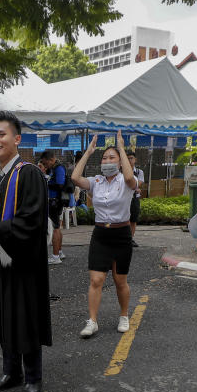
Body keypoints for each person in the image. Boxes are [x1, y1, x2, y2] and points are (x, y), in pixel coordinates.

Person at [0, 111, 51, 392]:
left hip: (22, 262)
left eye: (1, 134)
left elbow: (32, 221)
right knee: (4, 315)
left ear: (17, 139)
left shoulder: (28, 173)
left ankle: (32, 377)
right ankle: (10, 371)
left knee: (23, 317)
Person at [71, 133, 138, 338]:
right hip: (100, 234)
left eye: (112, 158)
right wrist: (89, 153)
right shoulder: (96, 181)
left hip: (121, 235)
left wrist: (121, 147)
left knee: (120, 281)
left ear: (120, 162)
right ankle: (92, 321)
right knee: (96, 280)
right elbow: (75, 178)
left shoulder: (128, 181)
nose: (107, 161)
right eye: (105, 158)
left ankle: (124, 315)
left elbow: (128, 176)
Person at [38, 149, 67, 264]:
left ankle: (55, 257)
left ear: (51, 159)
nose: (45, 165)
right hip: (54, 201)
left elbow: (60, 184)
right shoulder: (54, 168)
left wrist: (46, 181)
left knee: (55, 229)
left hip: (54, 202)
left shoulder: (59, 168)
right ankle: (59, 252)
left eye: (46, 163)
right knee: (57, 227)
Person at [128, 150, 146, 247]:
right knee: (123, 219)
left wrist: (135, 187)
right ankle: (124, 239)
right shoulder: (121, 172)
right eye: (128, 158)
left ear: (135, 159)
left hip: (134, 199)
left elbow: (137, 184)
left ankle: (131, 239)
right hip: (124, 199)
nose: (130, 160)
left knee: (133, 220)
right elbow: (134, 186)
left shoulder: (139, 172)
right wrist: (135, 188)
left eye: (131, 158)